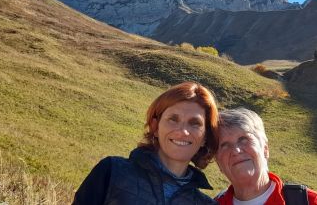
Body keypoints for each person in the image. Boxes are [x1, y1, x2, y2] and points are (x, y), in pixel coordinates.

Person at [72, 81, 219, 204]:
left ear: (205, 138)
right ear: (155, 127)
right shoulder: (111, 172)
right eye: (173, 119)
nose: (182, 131)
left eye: (195, 123)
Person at [215, 107, 317, 205]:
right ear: (218, 163)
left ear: (265, 149)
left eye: (243, 140)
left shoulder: (309, 201)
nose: (236, 150)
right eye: (225, 145)